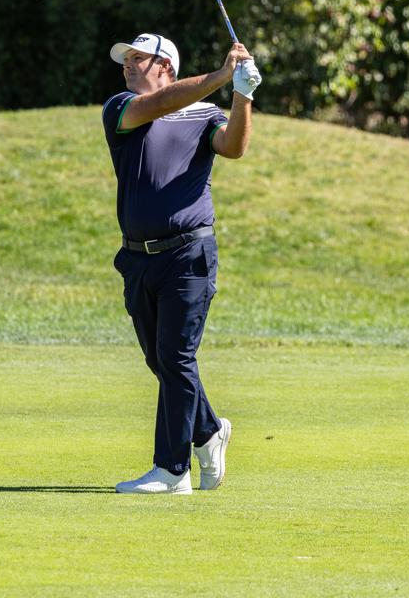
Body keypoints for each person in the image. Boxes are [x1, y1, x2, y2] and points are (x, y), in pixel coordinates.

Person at [102, 32, 260, 494]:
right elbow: (161, 104)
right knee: (161, 359)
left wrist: (242, 96)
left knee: (175, 356)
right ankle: (209, 431)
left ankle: (172, 470)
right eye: (125, 60)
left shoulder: (205, 113)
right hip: (137, 258)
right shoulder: (121, 109)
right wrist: (221, 75)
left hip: (189, 252)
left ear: (165, 65)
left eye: (138, 59)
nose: (128, 67)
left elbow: (232, 147)